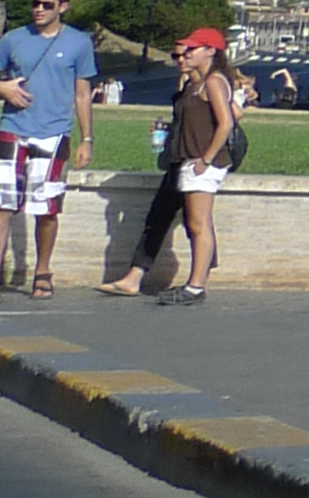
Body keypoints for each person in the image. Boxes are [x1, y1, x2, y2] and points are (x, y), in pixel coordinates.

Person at [0, 0, 100, 301]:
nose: (39, 9)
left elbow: (82, 94)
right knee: (0, 204)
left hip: (53, 132)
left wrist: (87, 139)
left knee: (46, 208)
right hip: (13, 128)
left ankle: (42, 272)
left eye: (47, 5)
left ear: (63, 7)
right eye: (35, 3)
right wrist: (0, 87)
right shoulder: (14, 39)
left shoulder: (78, 43)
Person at [97, 30, 241, 304]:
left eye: (191, 50)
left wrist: (206, 158)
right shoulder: (194, 84)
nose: (184, 56)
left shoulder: (214, 81)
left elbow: (227, 122)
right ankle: (143, 278)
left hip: (201, 161)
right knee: (175, 219)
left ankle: (196, 287)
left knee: (198, 224)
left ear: (211, 51)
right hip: (185, 158)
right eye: (181, 53)